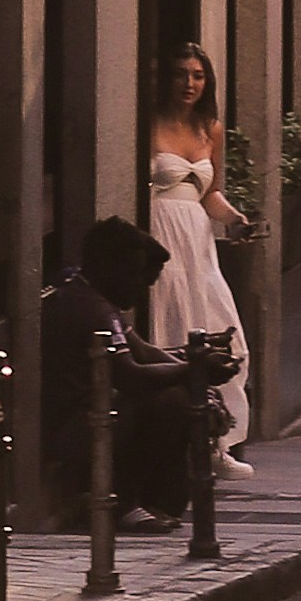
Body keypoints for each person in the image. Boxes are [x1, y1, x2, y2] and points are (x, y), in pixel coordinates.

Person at [37, 219, 198, 525]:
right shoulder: (93, 308)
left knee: (175, 393)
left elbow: (143, 351)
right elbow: (131, 376)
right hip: (71, 424)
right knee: (170, 402)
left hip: (88, 412)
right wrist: (191, 372)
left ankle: (154, 499)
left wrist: (191, 365)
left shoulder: (92, 297)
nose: (139, 288)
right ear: (107, 268)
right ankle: (123, 502)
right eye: (134, 276)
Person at [147, 41, 254, 469]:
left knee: (220, 331)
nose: (188, 83)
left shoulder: (209, 128)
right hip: (160, 232)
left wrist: (235, 220)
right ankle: (179, 445)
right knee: (170, 331)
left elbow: (210, 194)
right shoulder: (150, 123)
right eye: (180, 74)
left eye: (197, 75)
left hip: (197, 239)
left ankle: (217, 442)